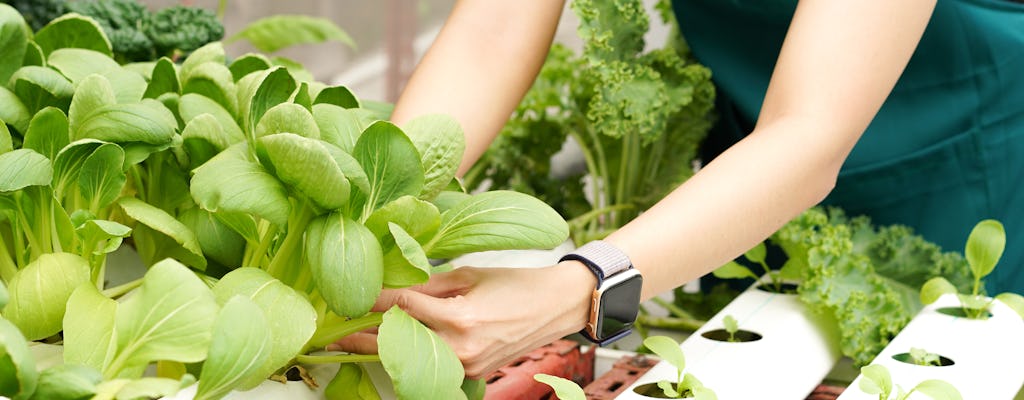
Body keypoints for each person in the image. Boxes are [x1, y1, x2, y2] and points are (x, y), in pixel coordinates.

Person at [333, 0, 1024, 379]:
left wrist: (579, 289)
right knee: (766, 361)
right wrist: (378, 210)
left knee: (952, 358)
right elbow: (495, 27)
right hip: (754, 154)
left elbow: (811, 133)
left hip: (961, 136)